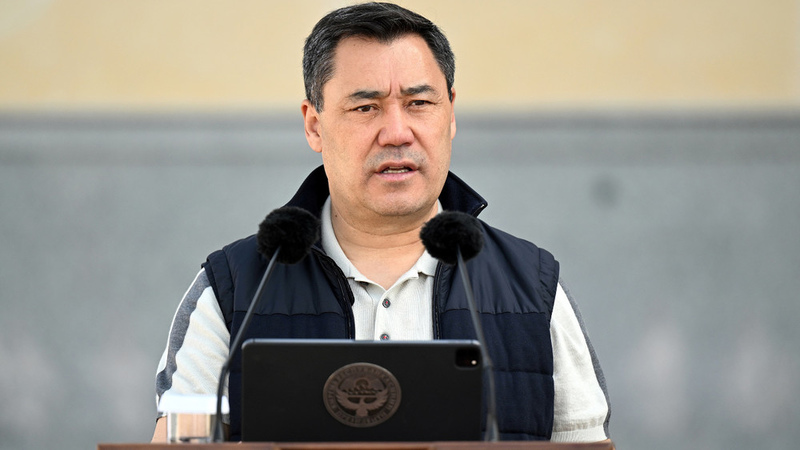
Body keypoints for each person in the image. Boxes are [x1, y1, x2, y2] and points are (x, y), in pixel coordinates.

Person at [152, 2, 610, 443]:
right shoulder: (235, 287)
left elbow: (585, 441)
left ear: (451, 114)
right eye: (366, 107)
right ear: (314, 125)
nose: (396, 133)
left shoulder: (531, 287)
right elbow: (180, 442)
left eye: (419, 103)